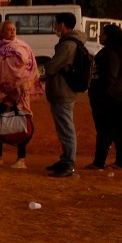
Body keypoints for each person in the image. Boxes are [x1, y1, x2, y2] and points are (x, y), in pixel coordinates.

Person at [0, 20, 39, 168]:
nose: (12, 32)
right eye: (9, 30)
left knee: (20, 123)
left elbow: (29, 67)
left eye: (14, 29)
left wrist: (17, 85)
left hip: (18, 92)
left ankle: (21, 159)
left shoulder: (22, 47)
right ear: (1, 32)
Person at [43, 11, 88, 177]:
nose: (55, 27)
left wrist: (48, 68)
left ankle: (69, 163)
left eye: (56, 23)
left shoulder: (68, 45)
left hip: (63, 91)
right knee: (64, 127)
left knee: (66, 128)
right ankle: (65, 159)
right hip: (64, 91)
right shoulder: (72, 42)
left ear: (62, 25)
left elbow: (51, 67)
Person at [88, 23, 122, 169]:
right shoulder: (121, 51)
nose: (99, 36)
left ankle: (99, 163)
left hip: (109, 99)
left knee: (104, 131)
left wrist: (100, 95)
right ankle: (121, 161)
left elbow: (108, 77)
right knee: (118, 131)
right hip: (120, 98)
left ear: (109, 36)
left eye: (102, 34)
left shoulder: (108, 53)